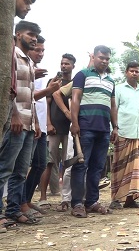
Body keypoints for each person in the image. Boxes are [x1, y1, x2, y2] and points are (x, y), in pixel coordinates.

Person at [0, 21, 42, 225]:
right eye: (30, 34)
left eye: (36, 35)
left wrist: (36, 122)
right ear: (17, 34)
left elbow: (30, 96)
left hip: (29, 124)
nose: (33, 38)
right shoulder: (11, 55)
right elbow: (8, 88)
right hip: (15, 122)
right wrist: (14, 115)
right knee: (4, 169)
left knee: (20, 172)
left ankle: (13, 211)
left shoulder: (29, 62)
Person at [70, 45, 118, 218]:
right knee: (80, 166)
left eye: (107, 59)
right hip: (85, 128)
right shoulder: (82, 74)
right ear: (94, 57)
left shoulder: (111, 81)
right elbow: (75, 99)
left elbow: (112, 105)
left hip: (104, 130)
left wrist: (115, 127)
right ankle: (76, 203)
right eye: (101, 58)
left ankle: (91, 202)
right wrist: (74, 123)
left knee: (97, 168)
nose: (104, 61)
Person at [20, 35, 61, 218]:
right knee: (21, 167)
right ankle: (18, 204)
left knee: (40, 164)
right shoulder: (25, 69)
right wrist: (48, 90)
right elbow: (30, 96)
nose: (41, 53)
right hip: (28, 125)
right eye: (37, 50)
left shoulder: (38, 72)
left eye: (43, 50)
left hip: (41, 126)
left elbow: (43, 100)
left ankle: (27, 200)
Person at [109, 61, 139, 209]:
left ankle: (130, 199)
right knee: (119, 166)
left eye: (137, 71)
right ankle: (115, 199)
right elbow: (113, 110)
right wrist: (113, 129)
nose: (134, 73)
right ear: (126, 72)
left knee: (135, 169)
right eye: (131, 71)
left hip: (138, 134)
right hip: (122, 132)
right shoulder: (118, 89)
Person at [37, 53, 75, 211]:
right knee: (49, 162)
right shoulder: (54, 82)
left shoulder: (75, 83)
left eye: (67, 64)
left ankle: (65, 198)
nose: (64, 66)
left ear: (73, 66)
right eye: (62, 63)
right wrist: (48, 123)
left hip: (70, 129)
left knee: (68, 163)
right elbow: (47, 103)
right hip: (54, 128)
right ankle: (43, 197)